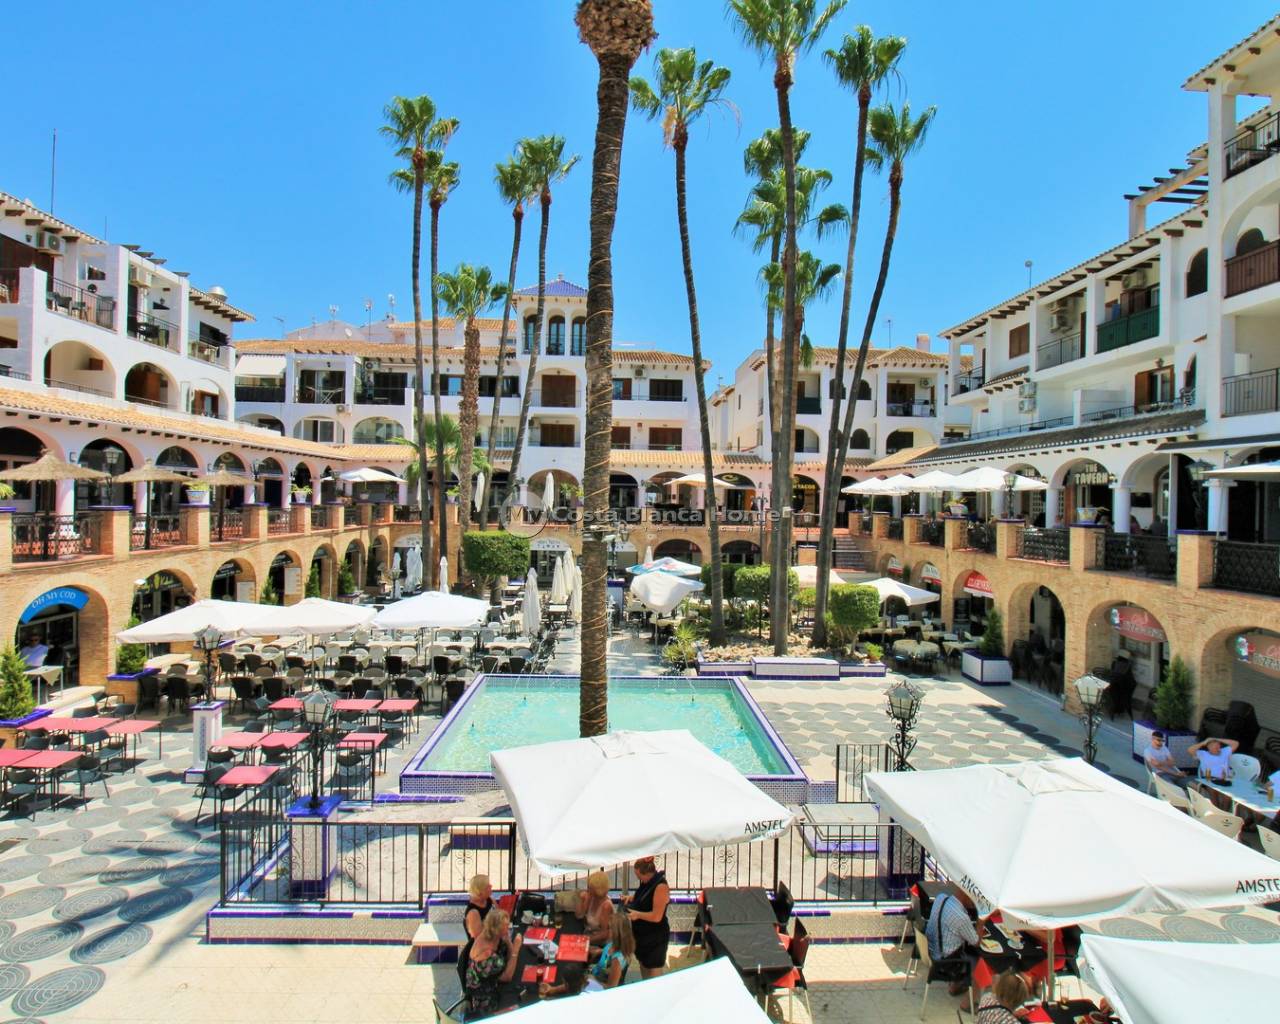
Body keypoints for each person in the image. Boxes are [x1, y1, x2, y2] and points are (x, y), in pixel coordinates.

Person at [464, 909, 522, 1020]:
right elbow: (507, 976)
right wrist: (516, 949)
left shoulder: (493, 936)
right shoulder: (487, 955)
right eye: (506, 926)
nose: (509, 928)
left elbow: (507, 957)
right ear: (497, 929)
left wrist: (509, 942)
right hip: (486, 999)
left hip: (494, 981)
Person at [925, 889, 981, 998]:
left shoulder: (940, 898)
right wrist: (981, 922)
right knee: (978, 959)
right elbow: (976, 942)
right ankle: (966, 998)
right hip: (946, 963)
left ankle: (956, 984)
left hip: (929, 950)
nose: (975, 902)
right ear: (966, 894)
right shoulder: (961, 917)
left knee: (961, 944)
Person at [620, 856, 669, 979]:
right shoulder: (646, 882)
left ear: (646, 874)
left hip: (655, 937)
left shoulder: (660, 886)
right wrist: (630, 898)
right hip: (642, 935)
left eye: (639, 876)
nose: (638, 878)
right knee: (643, 965)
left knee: (653, 973)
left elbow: (657, 916)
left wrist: (637, 915)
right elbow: (644, 897)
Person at [457, 874, 494, 992]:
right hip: (482, 954)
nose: (491, 886)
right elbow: (479, 939)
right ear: (480, 891)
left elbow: (499, 913)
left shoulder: (488, 900)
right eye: (488, 886)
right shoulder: (473, 913)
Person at [590, 913, 635, 990]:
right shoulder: (611, 944)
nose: (607, 931)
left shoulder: (617, 959)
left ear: (617, 932)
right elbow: (604, 953)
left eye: (610, 928)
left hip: (601, 987)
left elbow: (611, 987)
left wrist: (592, 980)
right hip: (595, 976)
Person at [577, 870, 615, 947]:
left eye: (590, 888)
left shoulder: (606, 906)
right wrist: (582, 900)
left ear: (598, 889)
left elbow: (604, 934)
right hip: (589, 935)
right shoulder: (592, 897)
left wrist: (585, 940)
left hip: (601, 944)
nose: (588, 889)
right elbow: (579, 915)